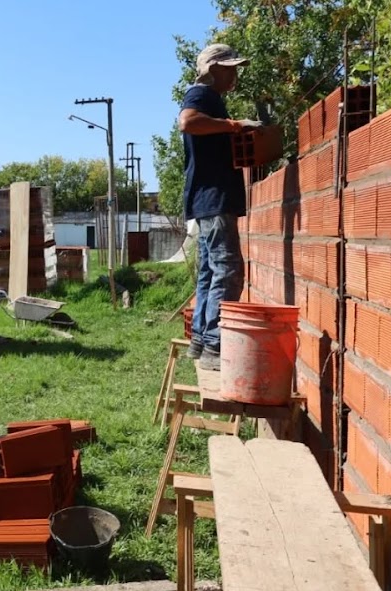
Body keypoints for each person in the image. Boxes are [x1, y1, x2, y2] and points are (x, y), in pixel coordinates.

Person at [179, 43, 262, 371]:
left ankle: (201, 340)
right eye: (230, 68)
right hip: (213, 198)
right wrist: (233, 125)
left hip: (206, 199)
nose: (235, 74)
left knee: (210, 271)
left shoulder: (212, 99)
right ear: (212, 70)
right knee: (228, 269)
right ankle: (216, 345)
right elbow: (187, 122)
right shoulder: (201, 95)